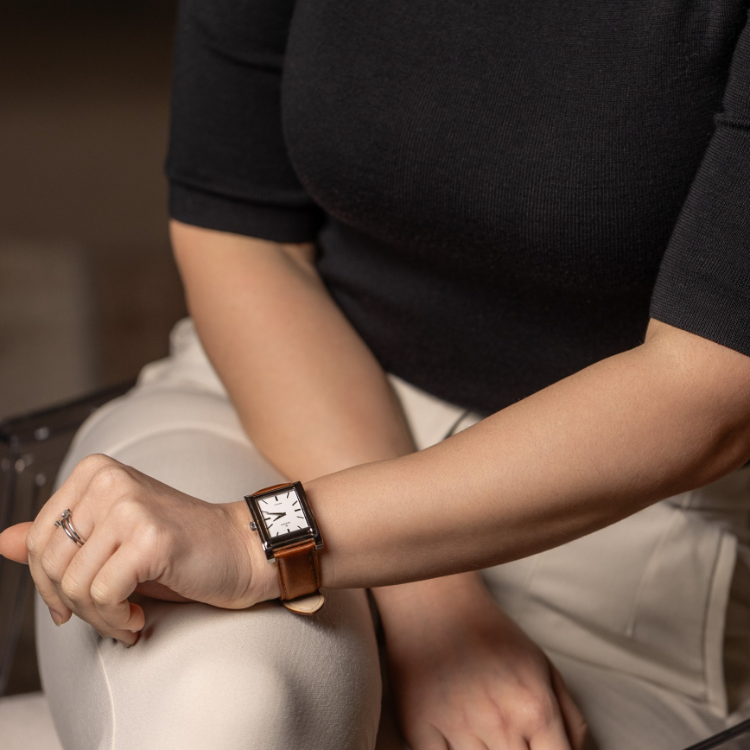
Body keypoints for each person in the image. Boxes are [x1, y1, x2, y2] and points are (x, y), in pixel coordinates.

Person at [2, 1, 750, 748]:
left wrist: (253, 541)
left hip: (623, 534)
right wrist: (430, 604)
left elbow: (712, 390)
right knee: (223, 704)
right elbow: (241, 236)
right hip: (271, 413)